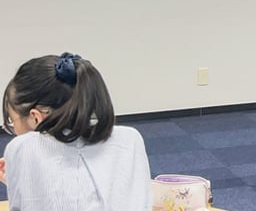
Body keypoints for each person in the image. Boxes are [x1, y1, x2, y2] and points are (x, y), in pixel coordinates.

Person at [1, 52, 152, 209]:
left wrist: (22, 171)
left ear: (36, 118)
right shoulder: (130, 140)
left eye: (12, 121)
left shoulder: (23, 147)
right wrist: (25, 175)